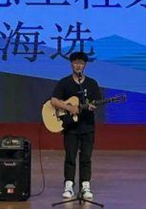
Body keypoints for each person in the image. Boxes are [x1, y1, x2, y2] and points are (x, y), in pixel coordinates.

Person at [50, 51, 102, 200]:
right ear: (71, 64)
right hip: (70, 127)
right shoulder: (64, 82)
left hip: (87, 126)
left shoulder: (92, 83)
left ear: (85, 65)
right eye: (76, 63)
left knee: (86, 157)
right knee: (70, 156)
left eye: (81, 63)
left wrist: (92, 106)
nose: (78, 65)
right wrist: (69, 108)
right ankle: (69, 185)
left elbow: (96, 102)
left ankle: (85, 186)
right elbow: (54, 100)